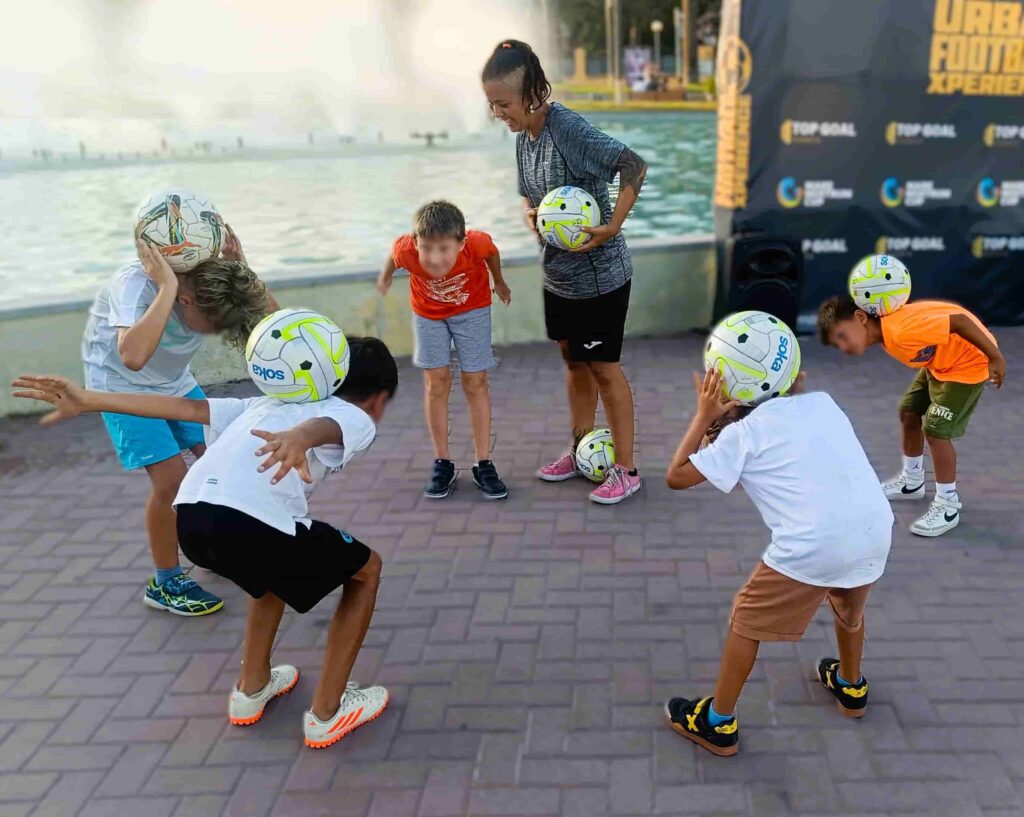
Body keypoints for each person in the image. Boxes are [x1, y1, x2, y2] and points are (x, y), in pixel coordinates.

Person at [13, 336, 397, 749]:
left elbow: (182, 408)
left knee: (269, 571)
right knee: (365, 570)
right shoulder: (354, 415)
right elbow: (328, 427)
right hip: (249, 524)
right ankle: (328, 714)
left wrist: (90, 400)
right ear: (378, 399)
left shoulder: (260, 404)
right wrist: (302, 437)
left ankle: (252, 688)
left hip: (193, 520)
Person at [662, 367, 893, 757]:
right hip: (875, 529)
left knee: (745, 620)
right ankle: (851, 686)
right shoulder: (823, 404)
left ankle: (717, 723)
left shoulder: (742, 435)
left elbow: (677, 475)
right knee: (848, 607)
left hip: (814, 544)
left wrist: (703, 416)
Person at [482, 39, 648, 505]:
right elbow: (527, 195)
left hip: (600, 277)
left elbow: (633, 166)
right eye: (492, 104)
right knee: (575, 365)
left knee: (603, 368)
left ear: (532, 92)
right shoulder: (523, 138)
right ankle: (580, 450)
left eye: (504, 103)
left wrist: (613, 226)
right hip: (559, 278)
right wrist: (530, 215)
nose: (497, 113)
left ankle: (626, 470)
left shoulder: (567, 129)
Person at [83, 228, 276, 615]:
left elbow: (273, 324)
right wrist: (167, 287)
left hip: (174, 382)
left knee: (219, 458)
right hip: (121, 386)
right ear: (186, 299)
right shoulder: (134, 285)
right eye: (212, 321)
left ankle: (214, 548)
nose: (217, 330)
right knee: (171, 480)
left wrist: (242, 267)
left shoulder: (209, 283)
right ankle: (166, 582)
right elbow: (132, 356)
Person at [817, 296, 1005, 537]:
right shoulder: (887, 332)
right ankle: (912, 481)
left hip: (968, 364)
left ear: (860, 317)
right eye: (837, 344)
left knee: (936, 431)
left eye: (842, 336)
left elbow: (959, 321)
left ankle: (948, 505)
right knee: (909, 411)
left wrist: (995, 357)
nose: (844, 347)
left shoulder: (900, 332)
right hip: (941, 362)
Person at [377, 200, 512, 500]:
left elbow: (492, 253)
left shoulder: (477, 243)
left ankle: (483, 463)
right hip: (428, 315)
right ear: (415, 242)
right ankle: (443, 462)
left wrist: (499, 282)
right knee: (436, 383)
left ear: (461, 244)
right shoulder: (405, 250)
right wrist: (385, 278)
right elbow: (393, 257)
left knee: (475, 382)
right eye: (426, 248)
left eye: (444, 249)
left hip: (472, 310)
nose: (435, 259)